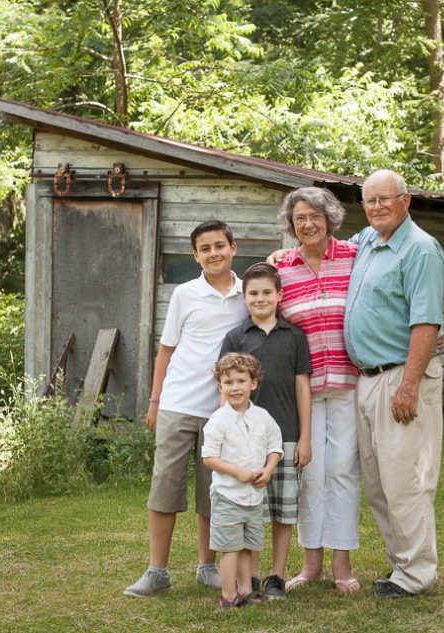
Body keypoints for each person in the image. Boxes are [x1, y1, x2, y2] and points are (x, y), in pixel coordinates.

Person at [124, 220, 248, 598]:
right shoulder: (185, 294)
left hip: (223, 411)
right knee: (165, 486)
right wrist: (155, 401)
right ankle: (156, 570)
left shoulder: (248, 293)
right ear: (196, 256)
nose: (213, 253)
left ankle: (207, 565)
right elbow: (167, 350)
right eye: (205, 248)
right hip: (178, 404)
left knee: (212, 489)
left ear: (233, 248)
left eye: (219, 246)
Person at [344, 169, 444, 598]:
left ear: (406, 201)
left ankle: (416, 574)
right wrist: (284, 258)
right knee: (380, 483)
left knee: (406, 480)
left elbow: (426, 323)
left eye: (385, 199)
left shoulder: (420, 250)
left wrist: (408, 385)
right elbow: (325, 251)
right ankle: (400, 567)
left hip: (401, 377)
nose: (377, 207)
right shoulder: (368, 240)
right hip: (366, 380)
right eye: (370, 201)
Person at [273, 187, 363, 594]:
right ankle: (312, 565)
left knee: (342, 471)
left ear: (329, 218)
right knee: (309, 473)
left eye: (314, 216)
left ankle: (342, 564)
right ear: (291, 227)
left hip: (347, 382)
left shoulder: (353, 257)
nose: (307, 224)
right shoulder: (281, 268)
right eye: (299, 219)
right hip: (303, 389)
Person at [219, 263, 312, 599]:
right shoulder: (236, 338)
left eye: (266, 292)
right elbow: (225, 389)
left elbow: (303, 387)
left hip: (286, 435)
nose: (260, 299)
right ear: (244, 298)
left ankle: (277, 575)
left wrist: (305, 437)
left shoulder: (295, 337)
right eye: (253, 293)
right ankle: (252, 574)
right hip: (246, 441)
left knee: (283, 511)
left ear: (279, 295)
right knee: (252, 509)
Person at [201, 352, 283, 608]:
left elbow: (275, 446)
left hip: (253, 497)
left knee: (248, 546)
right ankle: (228, 595)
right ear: (220, 387)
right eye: (228, 383)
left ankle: (247, 590)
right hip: (228, 495)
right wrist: (237, 472)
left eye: (241, 381)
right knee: (231, 548)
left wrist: (268, 470)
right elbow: (209, 457)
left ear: (253, 383)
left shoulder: (263, 417)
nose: (235, 388)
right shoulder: (218, 421)